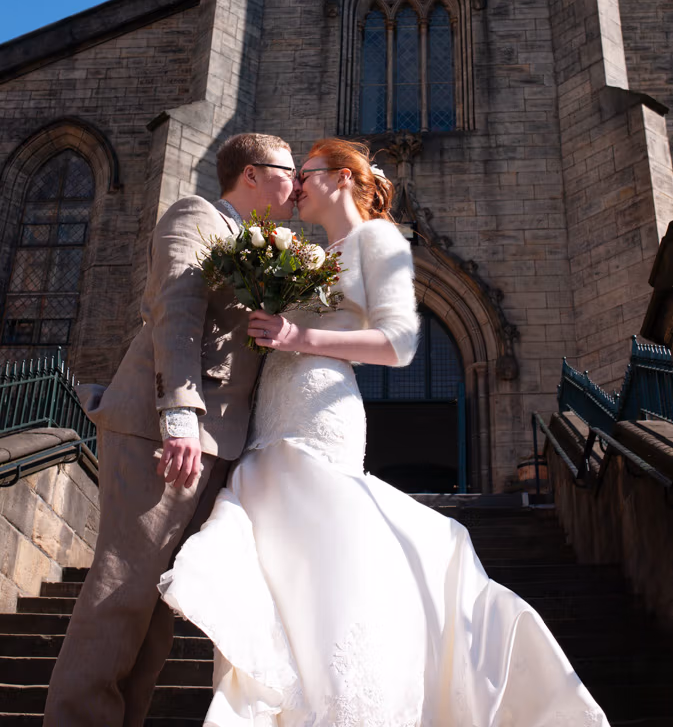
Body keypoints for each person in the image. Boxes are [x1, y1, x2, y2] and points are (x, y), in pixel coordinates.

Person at [160, 137, 610, 727]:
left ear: (343, 178)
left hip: (319, 410)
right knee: (282, 557)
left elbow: (399, 344)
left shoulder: (380, 241)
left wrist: (298, 337)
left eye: (307, 173)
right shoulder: (312, 252)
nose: (296, 184)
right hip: (272, 409)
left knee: (319, 545)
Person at [44, 132, 300, 727]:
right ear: (252, 174)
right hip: (163, 432)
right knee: (122, 590)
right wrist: (179, 416)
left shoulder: (263, 244)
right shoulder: (196, 215)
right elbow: (176, 311)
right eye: (288, 171)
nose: (297, 185)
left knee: (158, 608)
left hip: (218, 442)